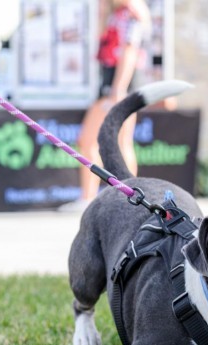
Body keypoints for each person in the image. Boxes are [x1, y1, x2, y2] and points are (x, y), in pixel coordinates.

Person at [60, 0, 151, 212]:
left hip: (117, 87)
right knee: (119, 142)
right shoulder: (119, 12)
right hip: (118, 86)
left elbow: (129, 51)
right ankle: (130, 198)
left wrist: (117, 91)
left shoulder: (131, 14)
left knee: (92, 139)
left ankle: (92, 198)